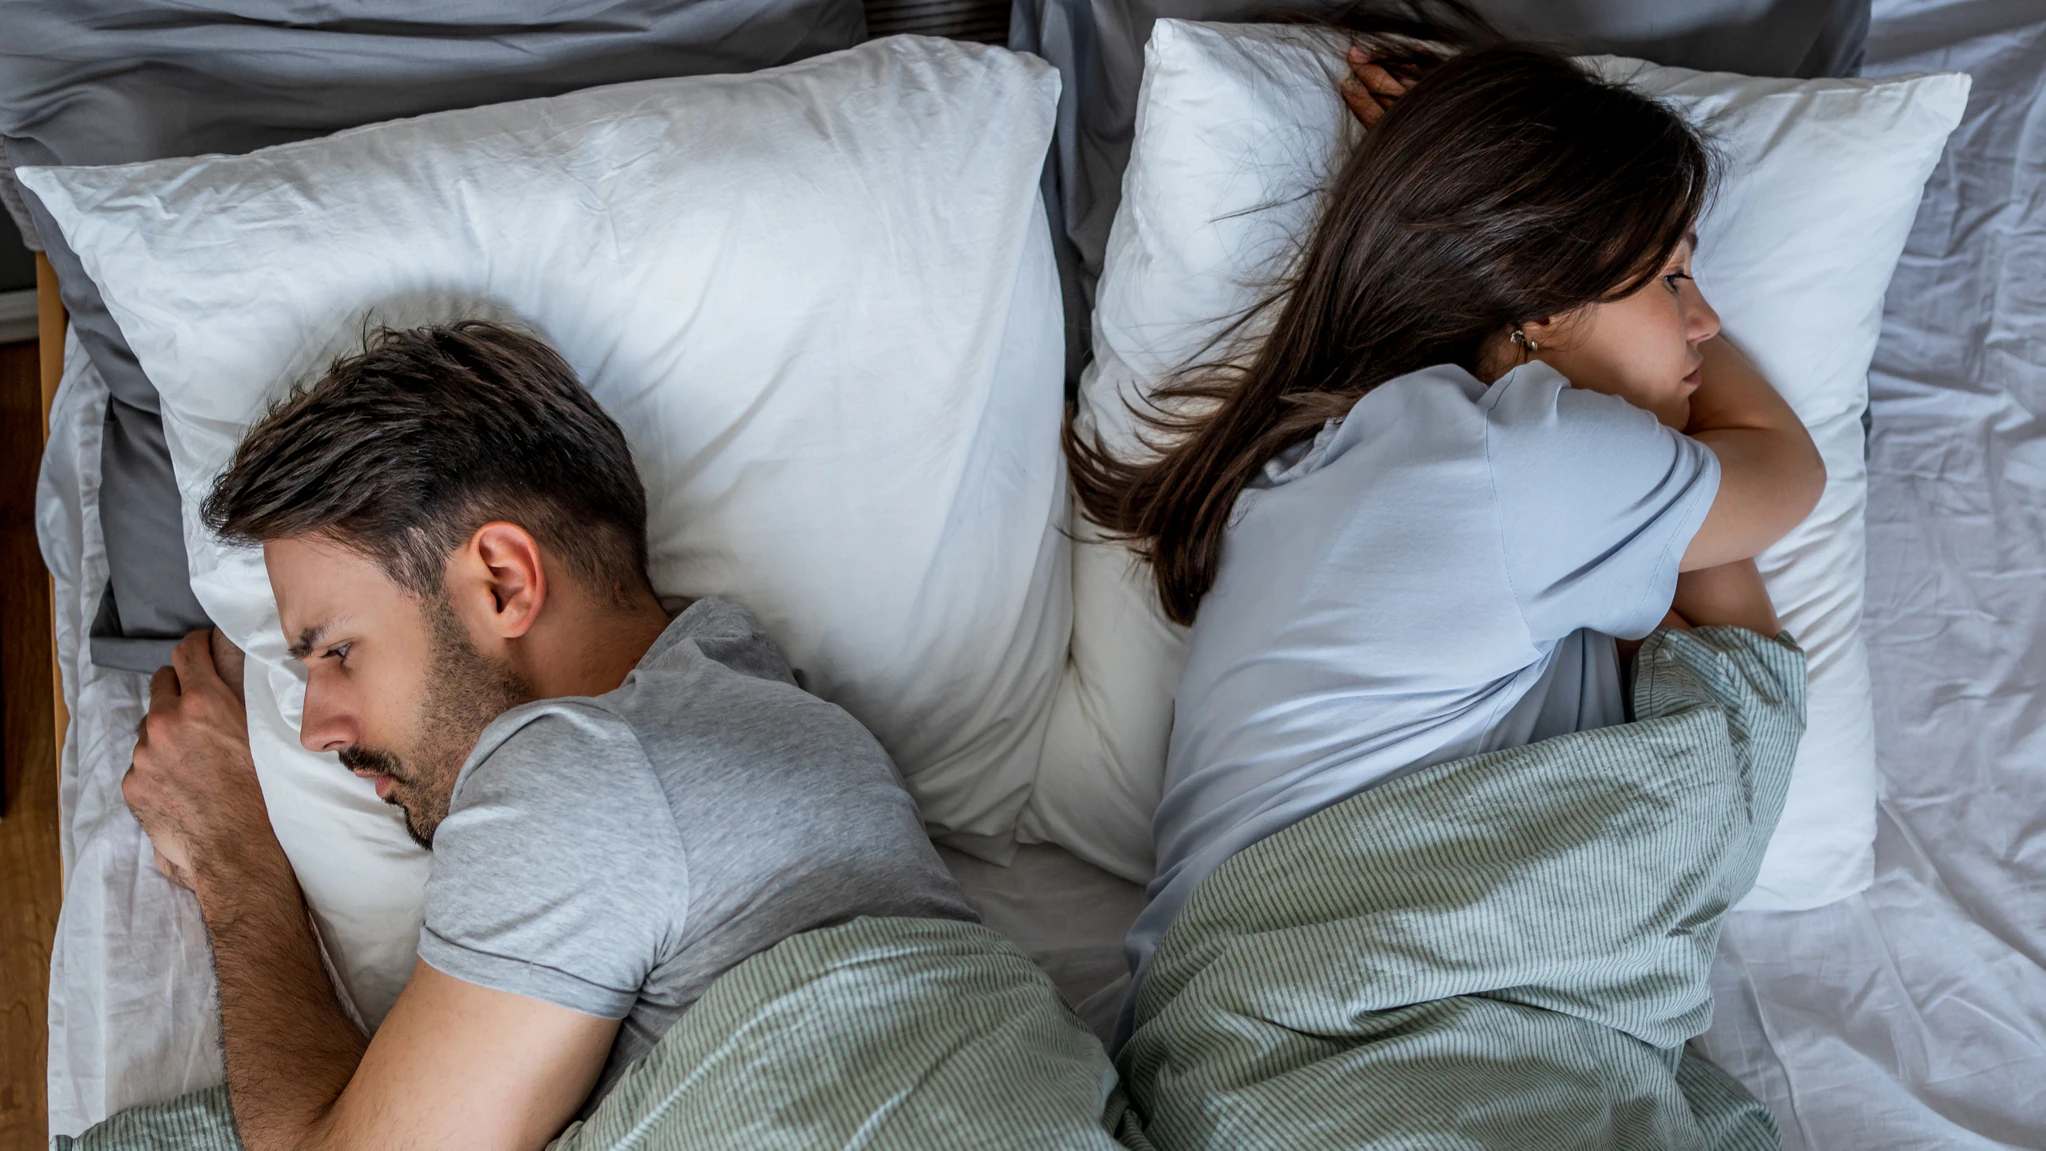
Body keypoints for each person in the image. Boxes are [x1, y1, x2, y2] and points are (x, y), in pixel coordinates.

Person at [1065, 17, 1826, 1021]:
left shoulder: (1360, 458)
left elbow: (1721, 681)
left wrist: (1541, 229)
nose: (1708, 322)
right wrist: (1540, 225)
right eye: (1670, 276)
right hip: (1343, 1001)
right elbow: (1780, 483)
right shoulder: (1514, 459)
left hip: (1250, 1003)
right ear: (1538, 302)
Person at [120, 321, 978, 1149]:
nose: (314, 729)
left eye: (339, 650)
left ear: (502, 581)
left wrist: (235, 860)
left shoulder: (587, 770)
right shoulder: (768, 710)